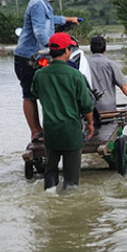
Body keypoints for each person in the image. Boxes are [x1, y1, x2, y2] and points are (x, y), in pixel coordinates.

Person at [14, 0, 80, 143]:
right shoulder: (37, 5)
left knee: (42, 93)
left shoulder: (42, 4)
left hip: (36, 55)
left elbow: (50, 19)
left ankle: (43, 129)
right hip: (27, 57)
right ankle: (35, 132)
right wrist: (56, 47)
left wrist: (67, 19)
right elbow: (40, 32)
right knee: (29, 94)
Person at [31, 33, 95, 190]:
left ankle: (49, 197)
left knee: (50, 172)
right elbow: (86, 104)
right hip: (71, 132)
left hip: (51, 133)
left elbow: (35, 93)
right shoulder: (75, 75)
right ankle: (67, 207)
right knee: (71, 180)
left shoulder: (39, 75)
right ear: (67, 50)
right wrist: (91, 123)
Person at [87, 36, 127, 114]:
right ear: (105, 49)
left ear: (90, 49)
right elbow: (123, 86)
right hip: (108, 108)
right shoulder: (111, 64)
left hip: (89, 108)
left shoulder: (84, 64)